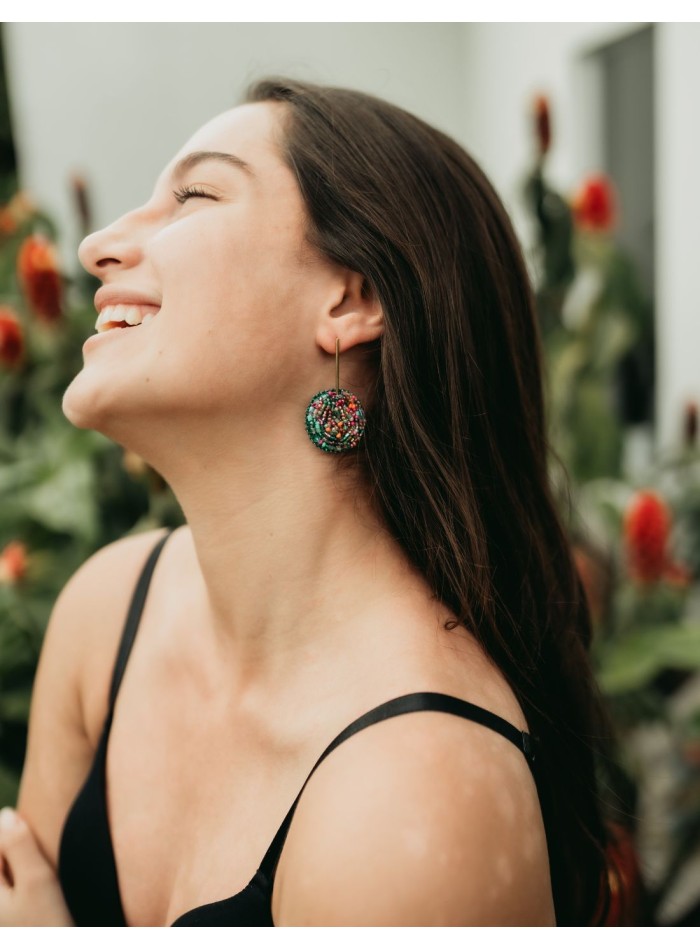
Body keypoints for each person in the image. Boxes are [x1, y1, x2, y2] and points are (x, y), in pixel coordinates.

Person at [0, 77, 616, 926]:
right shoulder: (107, 615)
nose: (97, 246)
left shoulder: (419, 789)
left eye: (194, 195)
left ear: (349, 299)